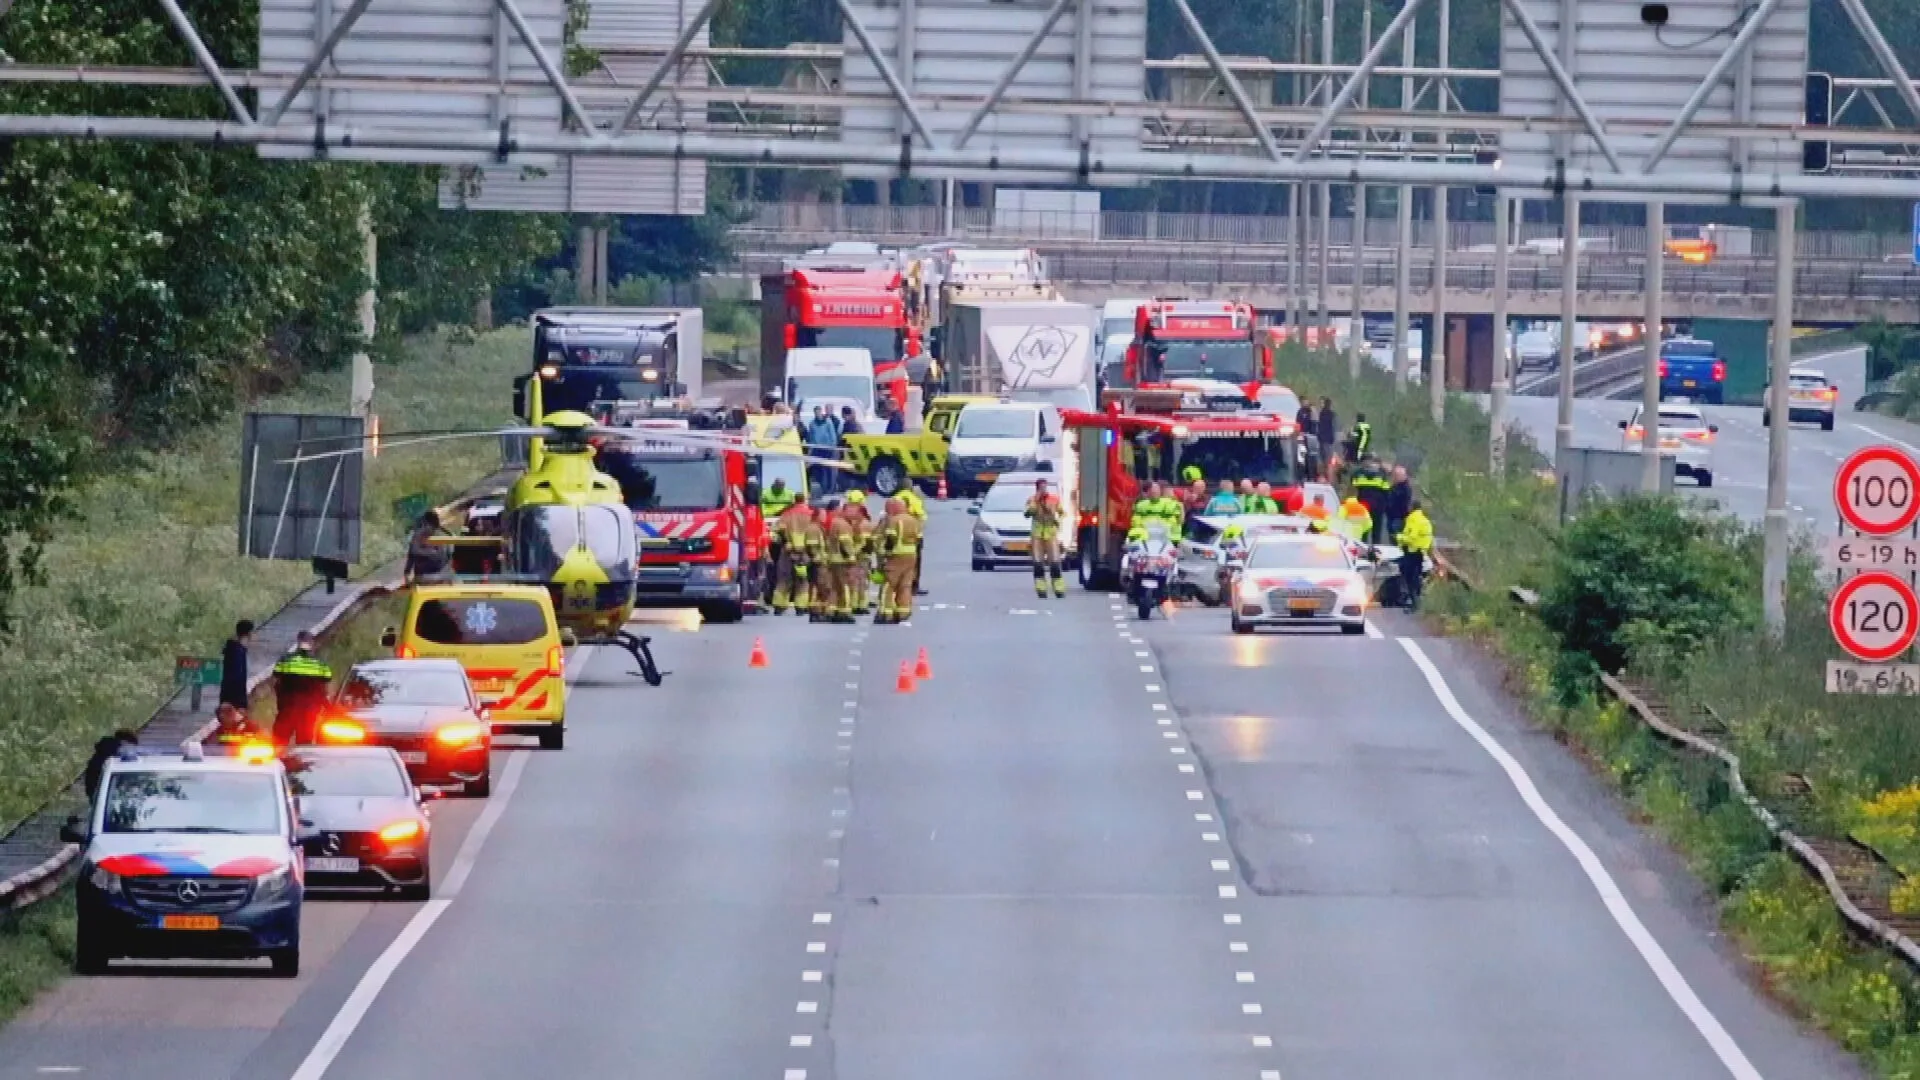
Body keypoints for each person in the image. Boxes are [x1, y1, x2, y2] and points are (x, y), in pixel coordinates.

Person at [271, 644, 333, 748]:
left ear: (298, 644)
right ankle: (303, 763)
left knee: (279, 741)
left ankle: (279, 761)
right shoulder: (320, 664)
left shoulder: (286, 660)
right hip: (309, 711)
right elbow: (325, 684)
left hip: (288, 708)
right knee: (305, 744)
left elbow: (276, 679)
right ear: (312, 645)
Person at [876, 497, 924, 624]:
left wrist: (886, 553)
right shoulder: (914, 521)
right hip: (911, 555)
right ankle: (903, 611)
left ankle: (886, 612)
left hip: (897, 555)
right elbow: (919, 540)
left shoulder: (894, 520)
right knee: (905, 585)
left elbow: (891, 538)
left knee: (889, 584)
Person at [770, 495, 815, 614]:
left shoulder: (787, 514)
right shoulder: (811, 514)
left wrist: (784, 542)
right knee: (802, 580)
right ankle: (800, 607)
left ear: (794, 501)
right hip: (805, 552)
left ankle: (779, 606)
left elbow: (775, 532)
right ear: (804, 500)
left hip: (788, 552)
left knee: (784, 579)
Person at [1025, 478, 1067, 599]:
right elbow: (1027, 513)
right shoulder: (1032, 499)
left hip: (1050, 534)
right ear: (1037, 488)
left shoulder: (1054, 499)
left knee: (1055, 563)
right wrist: (1036, 501)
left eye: (1045, 487)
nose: (1044, 489)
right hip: (1037, 535)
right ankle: (1041, 588)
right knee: (1038, 564)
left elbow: (1063, 513)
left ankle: (1059, 589)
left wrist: (1058, 520)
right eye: (1041, 487)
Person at [1396, 501, 1435, 611]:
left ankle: (1414, 603)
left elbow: (1411, 537)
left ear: (1412, 507)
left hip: (1413, 551)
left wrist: (1399, 538)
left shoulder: (1413, 519)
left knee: (1410, 577)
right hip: (1421, 552)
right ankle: (1415, 601)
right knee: (1415, 576)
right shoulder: (1424, 520)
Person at [84, 729, 139, 800]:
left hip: (94, 790)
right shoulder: (116, 755)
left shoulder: (102, 751)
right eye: (132, 747)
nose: (132, 750)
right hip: (103, 791)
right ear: (125, 742)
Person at [899, 486, 930, 596]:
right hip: (913, 536)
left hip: (896, 535)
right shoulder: (915, 499)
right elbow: (922, 517)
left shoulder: (895, 498)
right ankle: (913, 586)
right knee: (915, 563)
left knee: (897, 563)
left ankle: (899, 585)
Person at [220, 619, 254, 711]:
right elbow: (236, 678)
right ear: (249, 634)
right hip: (234, 702)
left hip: (229, 699)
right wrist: (241, 703)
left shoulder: (234, 649)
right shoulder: (236, 652)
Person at [404, 511, 448, 580]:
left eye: (434, 529)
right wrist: (407, 572)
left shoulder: (439, 537)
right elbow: (411, 556)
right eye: (432, 527)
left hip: (436, 573)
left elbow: (441, 559)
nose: (432, 531)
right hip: (421, 574)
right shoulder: (417, 536)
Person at [1384, 464, 1415, 543]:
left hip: (1398, 518)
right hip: (1390, 516)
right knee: (1392, 537)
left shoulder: (1405, 488)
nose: (1395, 477)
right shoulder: (1394, 486)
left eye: (1397, 475)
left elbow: (1404, 503)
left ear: (1404, 476)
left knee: (1397, 538)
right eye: (1395, 475)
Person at [1316, 397, 1339, 462]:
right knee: (1328, 454)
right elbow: (1334, 426)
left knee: (1323, 454)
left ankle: (1325, 466)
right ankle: (1327, 467)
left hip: (1323, 437)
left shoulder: (1322, 413)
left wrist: (1319, 435)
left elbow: (1320, 425)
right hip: (1328, 437)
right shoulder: (1332, 414)